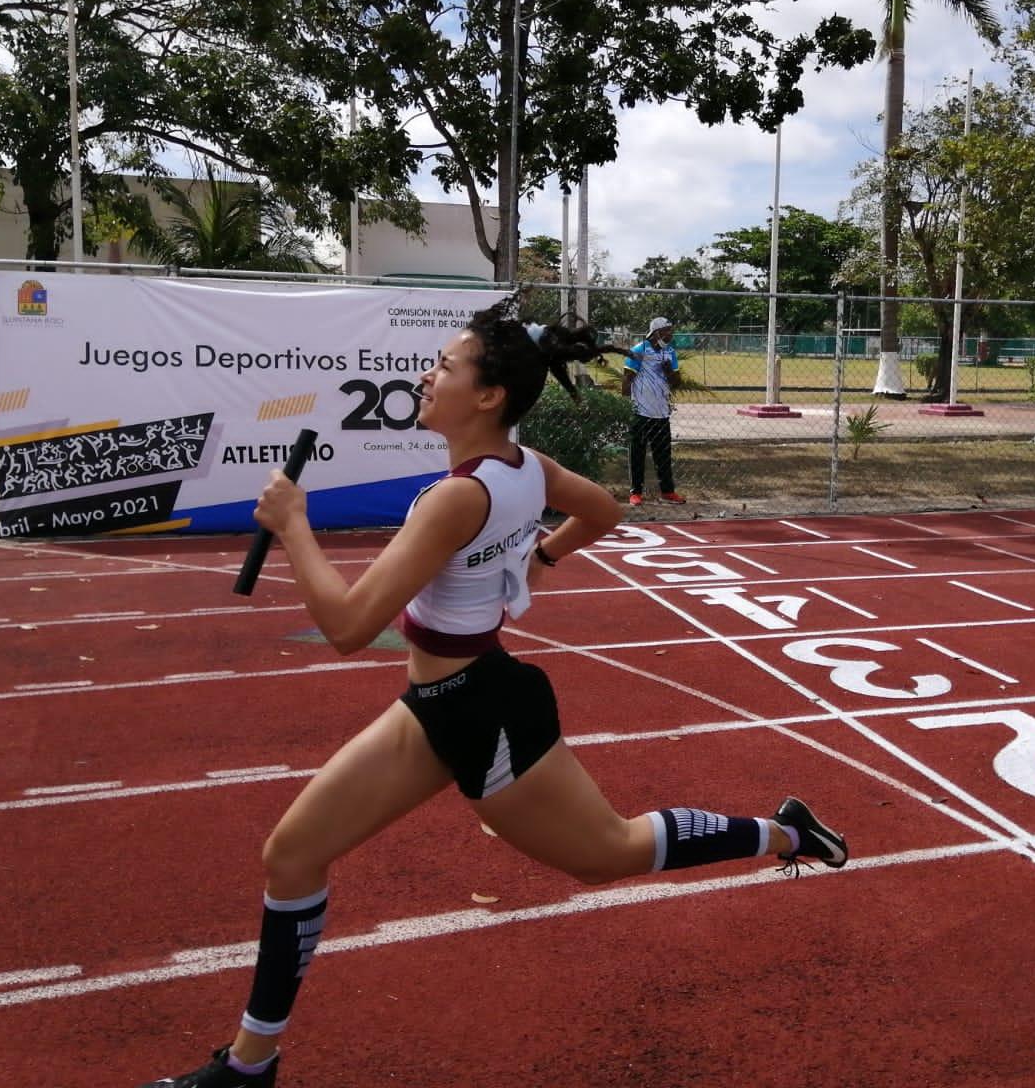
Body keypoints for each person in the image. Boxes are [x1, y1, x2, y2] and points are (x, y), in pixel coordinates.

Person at [137, 296, 847, 1088]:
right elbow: (603, 511)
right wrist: (539, 560)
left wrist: (293, 524)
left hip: (485, 712)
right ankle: (249, 1065)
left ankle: (786, 835)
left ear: (487, 396)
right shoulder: (523, 467)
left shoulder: (457, 498)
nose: (424, 375)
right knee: (292, 853)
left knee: (606, 854)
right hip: (438, 706)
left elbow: (346, 626)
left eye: (442, 366)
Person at [623, 316, 685, 506]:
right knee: (638, 453)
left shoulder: (670, 352)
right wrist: (625, 406)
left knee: (663, 455)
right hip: (640, 412)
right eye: (667, 331)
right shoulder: (638, 351)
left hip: (661, 413)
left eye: (671, 331)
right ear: (656, 332)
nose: (670, 335)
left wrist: (669, 371)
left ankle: (667, 492)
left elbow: (676, 383)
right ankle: (636, 493)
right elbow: (627, 379)